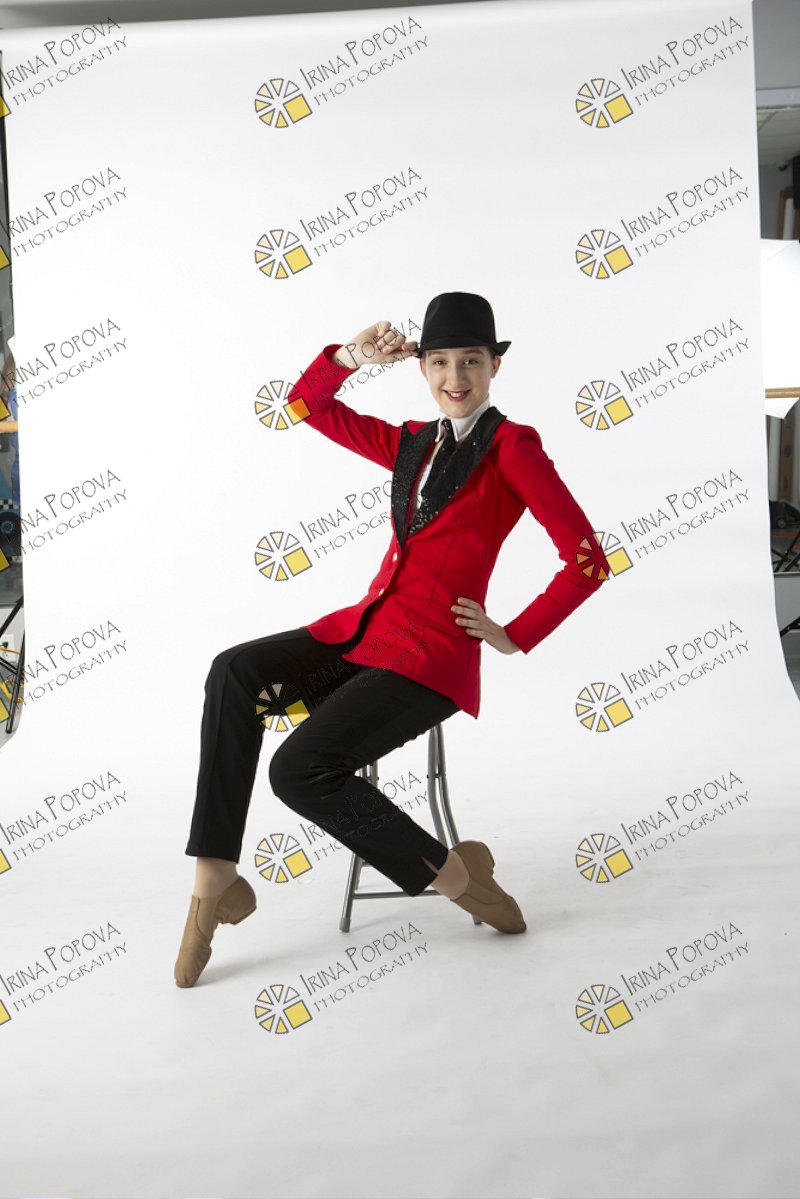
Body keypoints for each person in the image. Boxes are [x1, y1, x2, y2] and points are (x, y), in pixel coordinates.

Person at [174, 292, 610, 988]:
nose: (455, 377)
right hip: (363, 633)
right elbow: (305, 406)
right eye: (439, 362)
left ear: (495, 366)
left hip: (429, 659)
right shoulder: (412, 442)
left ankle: (456, 876)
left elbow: (587, 558)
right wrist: (352, 357)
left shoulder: (513, 447)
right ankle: (215, 879)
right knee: (233, 671)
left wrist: (512, 635)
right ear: (422, 366)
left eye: (471, 362)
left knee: (297, 771)